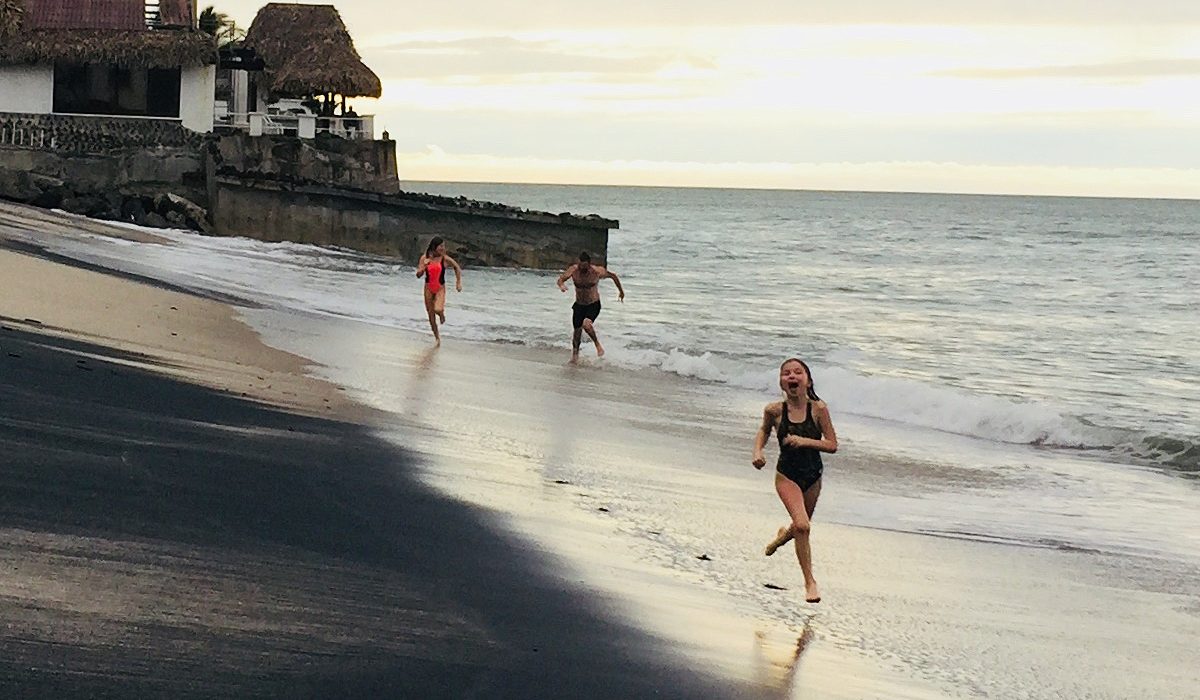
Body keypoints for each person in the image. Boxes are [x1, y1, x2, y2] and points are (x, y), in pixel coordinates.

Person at [752, 358, 839, 603]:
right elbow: (763, 431)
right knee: (802, 526)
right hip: (786, 475)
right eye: (786, 373)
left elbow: (832, 444)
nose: (792, 376)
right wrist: (757, 452)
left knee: (799, 527)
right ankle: (810, 583)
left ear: (808, 381)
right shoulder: (774, 411)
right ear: (782, 382)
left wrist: (805, 442)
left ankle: (781, 537)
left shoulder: (818, 409)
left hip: (813, 476)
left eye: (798, 372)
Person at [556, 251, 624, 361]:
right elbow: (560, 279)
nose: (582, 269)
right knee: (577, 332)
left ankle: (597, 344)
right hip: (579, 305)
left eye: (585, 266)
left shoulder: (596, 271)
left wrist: (621, 291)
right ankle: (575, 357)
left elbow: (613, 276)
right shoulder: (573, 270)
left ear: (589, 264)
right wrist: (562, 286)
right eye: (580, 266)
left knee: (586, 325)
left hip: (593, 304)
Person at [415, 236, 462, 345]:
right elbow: (418, 275)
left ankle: (441, 315)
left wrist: (458, 282)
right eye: (441, 246)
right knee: (431, 316)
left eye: (443, 246)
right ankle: (437, 338)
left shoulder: (444, 259)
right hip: (428, 288)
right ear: (434, 246)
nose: (443, 248)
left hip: (440, 288)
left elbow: (457, 267)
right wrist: (423, 267)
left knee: (438, 309)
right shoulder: (424, 258)